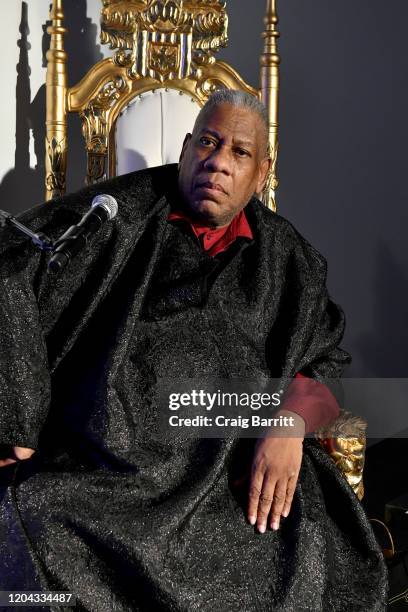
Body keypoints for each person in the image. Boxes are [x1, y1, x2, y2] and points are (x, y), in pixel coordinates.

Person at [0, 90, 387, 611]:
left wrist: (292, 421)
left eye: (240, 152)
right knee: (37, 514)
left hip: (226, 464)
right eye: (208, 142)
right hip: (110, 462)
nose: (219, 162)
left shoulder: (290, 258)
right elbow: (12, 263)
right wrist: (17, 416)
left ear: (261, 171)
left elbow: (325, 361)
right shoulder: (117, 214)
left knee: (305, 545)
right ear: (186, 147)